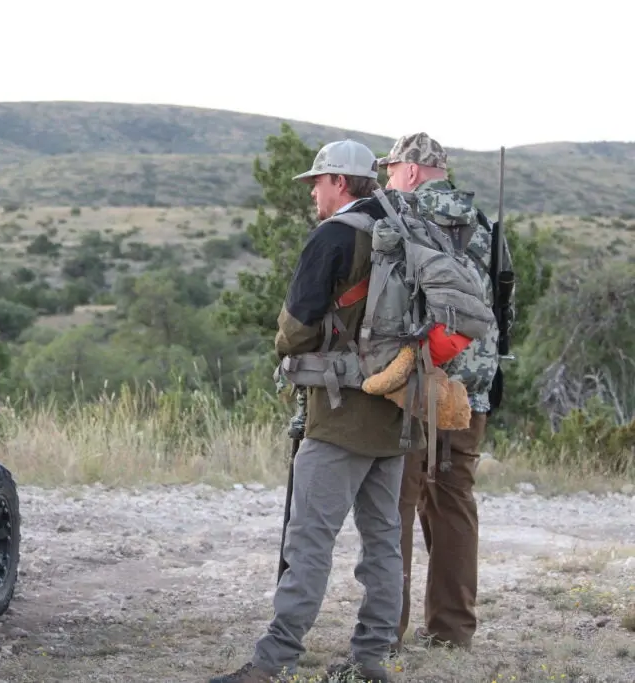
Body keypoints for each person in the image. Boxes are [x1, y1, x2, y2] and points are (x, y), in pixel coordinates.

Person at [209, 139, 423, 683]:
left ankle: (273, 660)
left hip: (340, 411)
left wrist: (286, 350)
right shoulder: (407, 227)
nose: (312, 192)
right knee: (384, 541)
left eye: (318, 181)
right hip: (398, 410)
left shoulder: (335, 236)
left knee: (308, 539)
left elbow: (297, 327)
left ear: (341, 183)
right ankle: (371, 657)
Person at [378, 132, 516, 652]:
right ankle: (453, 632)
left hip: (419, 383)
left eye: (392, 169)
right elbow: (504, 302)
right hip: (473, 388)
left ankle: (386, 630)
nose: (388, 178)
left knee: (397, 501)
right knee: (454, 499)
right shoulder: (482, 224)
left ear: (411, 171)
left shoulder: (401, 216)